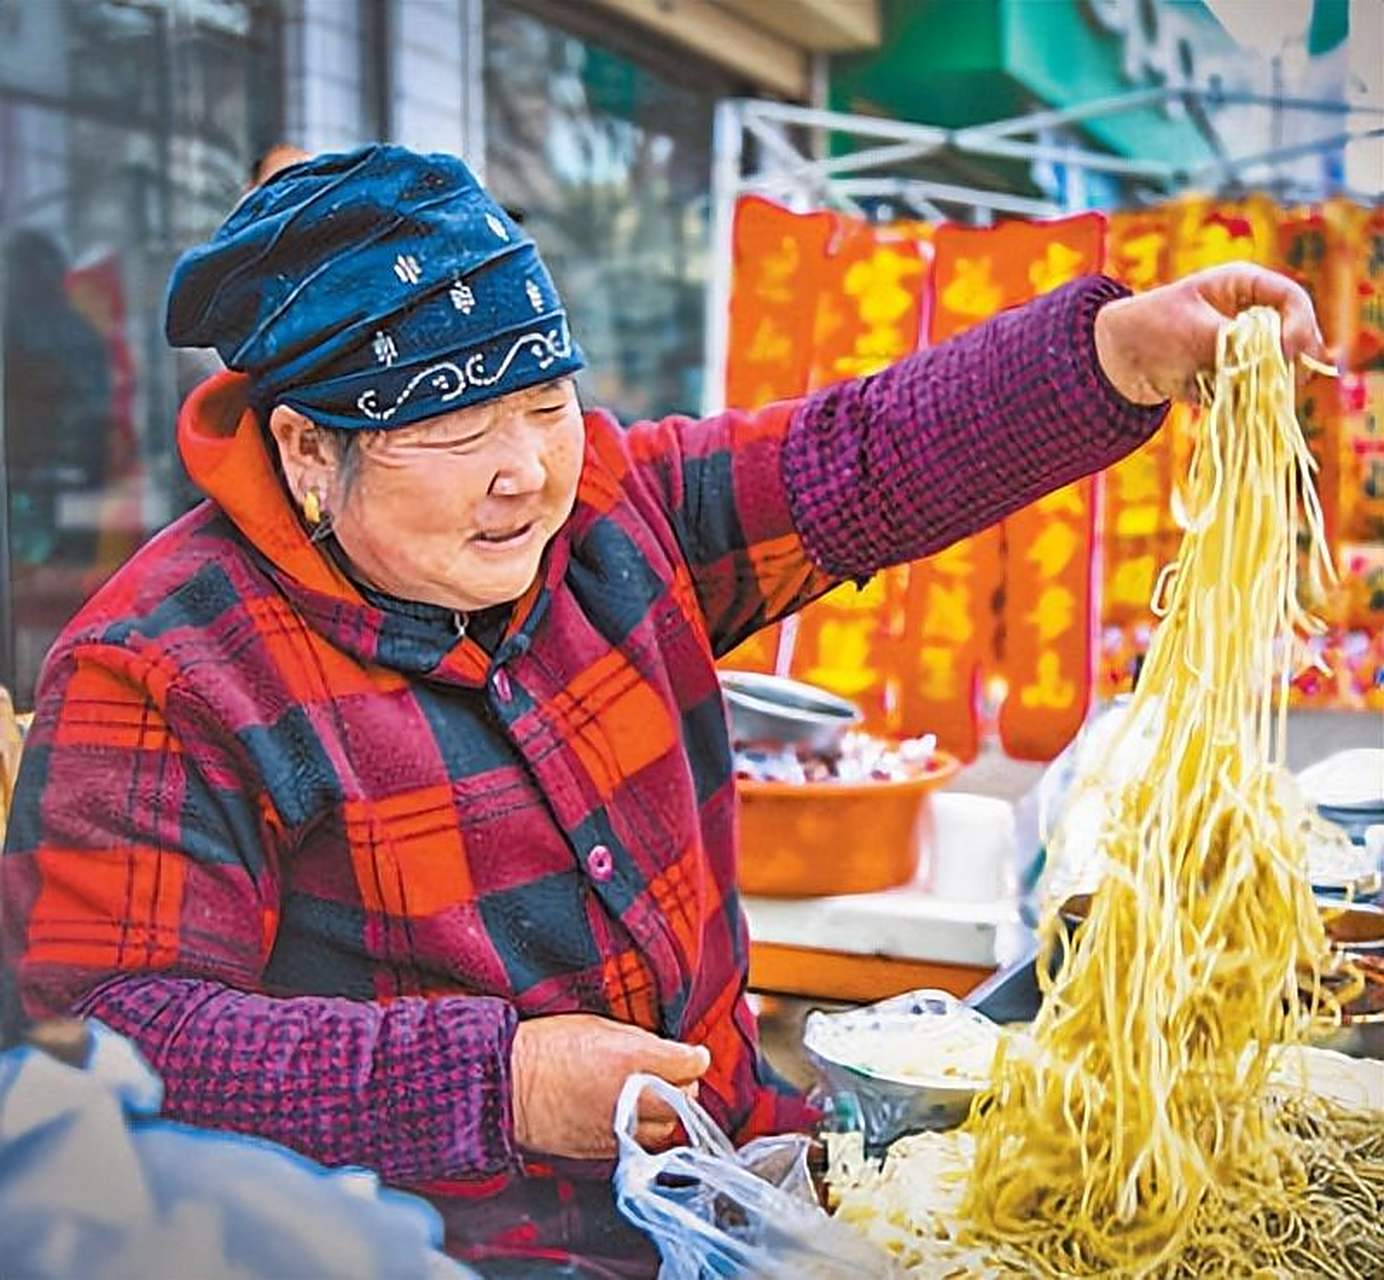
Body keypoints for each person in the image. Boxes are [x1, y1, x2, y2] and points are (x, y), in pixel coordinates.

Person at [0, 144, 1324, 1273]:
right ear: (305, 449)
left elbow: (853, 464)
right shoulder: (162, 673)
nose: (525, 474)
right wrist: (495, 1084)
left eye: (545, 402)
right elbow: (108, 1039)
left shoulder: (605, 515)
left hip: (746, 1184)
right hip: (449, 1246)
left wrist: (1120, 355)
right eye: (457, 434)